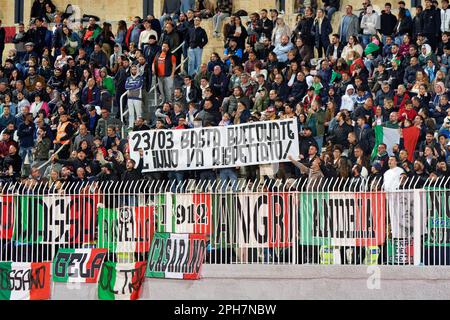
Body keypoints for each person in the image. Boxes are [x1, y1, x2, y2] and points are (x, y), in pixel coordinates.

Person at [125, 65, 144, 130]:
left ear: (137, 70)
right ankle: (131, 126)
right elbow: (126, 86)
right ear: (130, 70)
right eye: (132, 69)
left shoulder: (140, 78)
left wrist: (131, 85)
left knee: (138, 113)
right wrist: (134, 85)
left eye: (135, 69)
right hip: (129, 98)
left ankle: (139, 125)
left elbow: (138, 86)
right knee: (131, 113)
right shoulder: (128, 78)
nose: (134, 70)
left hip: (137, 98)